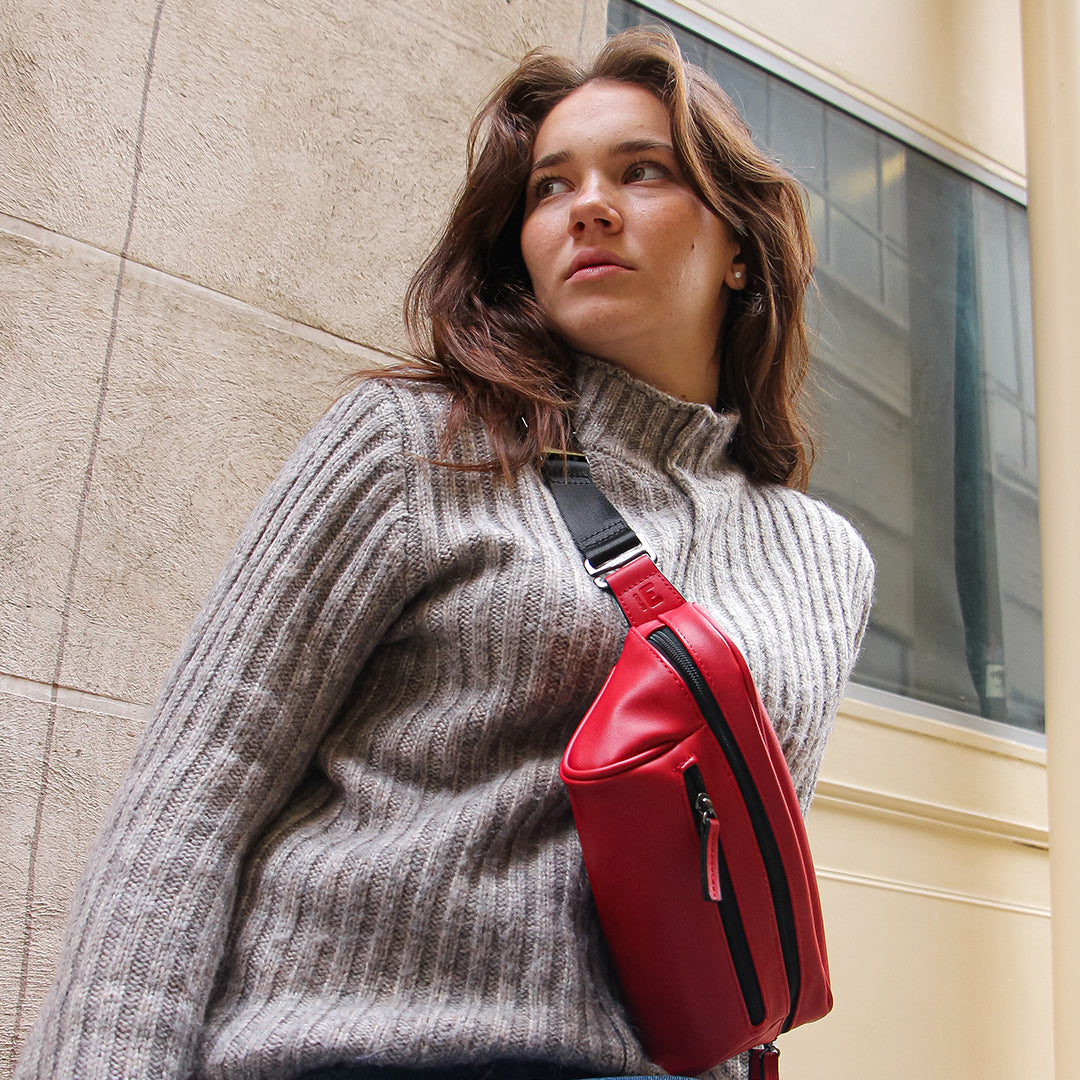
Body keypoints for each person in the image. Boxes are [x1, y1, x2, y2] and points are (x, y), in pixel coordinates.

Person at [14, 26, 873, 1080]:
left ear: (742, 242)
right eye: (551, 188)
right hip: (343, 1055)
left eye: (641, 172)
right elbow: (195, 798)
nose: (588, 206)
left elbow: (737, 883)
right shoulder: (412, 446)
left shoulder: (822, 559)